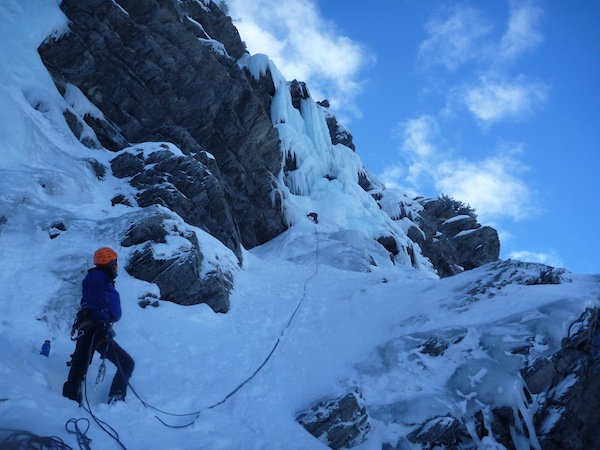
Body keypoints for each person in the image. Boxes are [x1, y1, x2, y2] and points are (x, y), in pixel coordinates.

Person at [63, 247, 135, 405]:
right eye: (115, 262)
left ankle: (116, 396)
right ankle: (70, 398)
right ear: (110, 262)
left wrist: (104, 323)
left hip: (100, 328)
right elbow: (93, 298)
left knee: (125, 362)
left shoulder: (104, 278)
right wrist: (102, 319)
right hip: (94, 326)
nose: (116, 266)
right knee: (82, 362)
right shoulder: (97, 275)